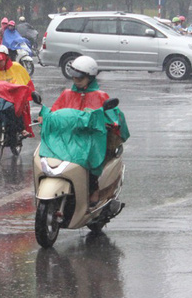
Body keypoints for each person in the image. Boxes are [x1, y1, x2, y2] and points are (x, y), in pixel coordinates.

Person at [45, 56, 129, 206]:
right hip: (67, 136)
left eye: (81, 77)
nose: (76, 80)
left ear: (90, 77)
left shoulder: (100, 96)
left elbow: (113, 115)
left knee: (88, 159)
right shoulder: (66, 94)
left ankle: (93, 189)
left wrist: (112, 123)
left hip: (90, 139)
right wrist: (44, 117)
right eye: (74, 76)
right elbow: (55, 111)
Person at [0, 45, 36, 141]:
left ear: (6, 58)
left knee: (17, 108)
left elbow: (26, 84)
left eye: (0, 61)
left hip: (14, 100)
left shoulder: (17, 67)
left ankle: (21, 129)